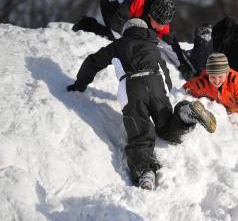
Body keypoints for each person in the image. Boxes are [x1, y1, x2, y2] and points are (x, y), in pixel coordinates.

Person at [67, 18, 216, 190]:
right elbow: (165, 73)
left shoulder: (119, 44)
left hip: (132, 87)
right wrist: (162, 94)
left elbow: (92, 62)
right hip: (156, 84)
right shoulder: (152, 46)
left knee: (140, 134)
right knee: (166, 127)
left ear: (126, 31)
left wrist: (79, 85)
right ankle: (185, 114)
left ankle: (145, 172)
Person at [183, 53, 238, 131]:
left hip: (235, 108)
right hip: (220, 111)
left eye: (220, 76)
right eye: (212, 77)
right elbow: (185, 89)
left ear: (226, 72)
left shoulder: (236, 81)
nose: (216, 81)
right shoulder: (202, 83)